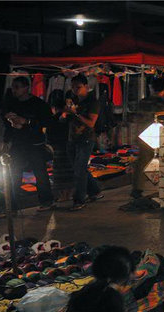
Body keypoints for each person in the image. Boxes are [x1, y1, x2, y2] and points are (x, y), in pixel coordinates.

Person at [1, 76, 55, 211]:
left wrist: (26, 122)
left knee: (40, 173)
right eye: (13, 87)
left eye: (17, 87)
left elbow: (47, 122)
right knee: (13, 174)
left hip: (34, 143)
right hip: (18, 144)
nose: (14, 90)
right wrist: (6, 140)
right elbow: (8, 125)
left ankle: (47, 201)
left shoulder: (38, 104)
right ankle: (11, 207)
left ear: (26, 88)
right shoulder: (11, 103)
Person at [60, 74, 103, 211]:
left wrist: (75, 113)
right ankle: (95, 191)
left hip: (86, 139)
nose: (75, 89)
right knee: (79, 169)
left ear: (86, 87)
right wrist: (64, 114)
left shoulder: (93, 102)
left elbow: (91, 123)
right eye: (72, 87)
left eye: (78, 87)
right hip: (72, 138)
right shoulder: (72, 100)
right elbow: (63, 120)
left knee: (79, 170)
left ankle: (79, 200)